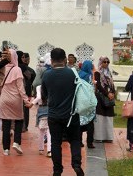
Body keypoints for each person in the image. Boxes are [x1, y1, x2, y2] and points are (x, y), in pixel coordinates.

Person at [41, 48, 84, 176]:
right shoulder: (73, 73)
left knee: (55, 143)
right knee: (75, 140)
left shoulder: (47, 75)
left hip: (54, 115)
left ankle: (57, 170)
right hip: (72, 115)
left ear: (52, 60)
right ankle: (76, 164)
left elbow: (44, 95)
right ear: (65, 59)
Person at [0, 49, 32, 156]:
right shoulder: (17, 69)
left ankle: (6, 149)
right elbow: (21, 88)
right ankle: (16, 142)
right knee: (19, 121)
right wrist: (26, 101)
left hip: (4, 100)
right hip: (16, 100)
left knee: (6, 124)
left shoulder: (1, 69)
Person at [94, 56, 115, 142]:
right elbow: (98, 85)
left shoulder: (109, 73)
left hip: (109, 97)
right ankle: (99, 137)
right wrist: (107, 94)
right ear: (101, 63)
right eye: (104, 62)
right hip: (100, 97)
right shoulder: (97, 73)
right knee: (100, 116)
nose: (106, 63)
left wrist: (113, 93)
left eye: (107, 62)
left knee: (108, 116)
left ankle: (108, 137)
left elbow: (112, 84)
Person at [78, 60, 95, 149]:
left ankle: (79, 142)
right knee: (90, 122)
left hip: (80, 102)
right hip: (88, 102)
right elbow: (91, 88)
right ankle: (90, 142)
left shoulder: (78, 74)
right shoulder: (88, 76)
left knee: (80, 121)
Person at [31, 83, 51, 157]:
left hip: (41, 110)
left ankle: (41, 149)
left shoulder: (39, 87)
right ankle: (49, 150)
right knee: (49, 131)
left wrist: (32, 103)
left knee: (41, 131)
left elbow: (39, 97)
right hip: (49, 109)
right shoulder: (51, 86)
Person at [20, 52, 36, 132]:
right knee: (26, 109)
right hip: (26, 92)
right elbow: (33, 80)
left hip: (16, 93)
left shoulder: (15, 68)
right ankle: (24, 126)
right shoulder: (30, 70)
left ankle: (17, 127)